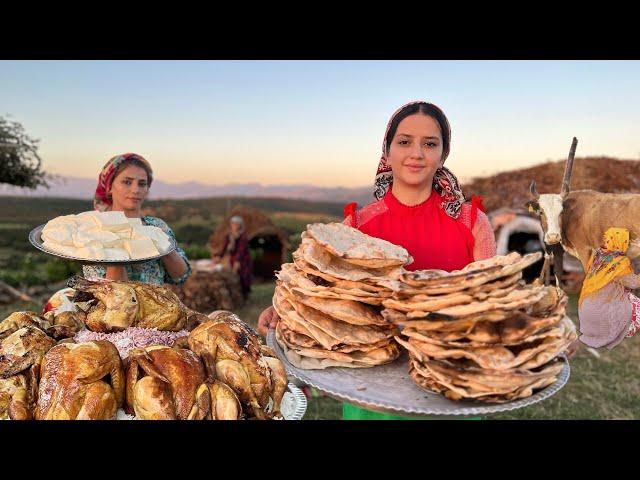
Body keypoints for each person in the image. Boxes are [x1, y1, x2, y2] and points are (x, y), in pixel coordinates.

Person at [259, 101, 497, 419]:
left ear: (443, 154)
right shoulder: (357, 227)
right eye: (404, 141)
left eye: (430, 144)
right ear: (386, 150)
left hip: (451, 388)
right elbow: (322, 296)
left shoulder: (471, 222)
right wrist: (286, 310)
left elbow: (496, 303)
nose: (417, 153)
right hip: (370, 391)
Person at [83, 153, 191, 285]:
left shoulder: (157, 226)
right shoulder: (95, 231)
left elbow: (181, 276)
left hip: (155, 305)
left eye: (142, 184)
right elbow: (109, 292)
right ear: (109, 186)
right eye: (127, 182)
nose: (136, 190)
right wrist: (116, 249)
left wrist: (164, 246)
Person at [578, 227, 640, 349]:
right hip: (601, 313)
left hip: (585, 313)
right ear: (621, 242)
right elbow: (635, 283)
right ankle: (614, 331)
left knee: (626, 297)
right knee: (637, 306)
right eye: (626, 242)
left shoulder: (598, 257)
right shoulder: (619, 262)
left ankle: (598, 330)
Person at [212, 216, 253, 299]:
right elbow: (224, 247)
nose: (234, 225)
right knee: (235, 277)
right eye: (233, 224)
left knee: (243, 277)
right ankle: (238, 295)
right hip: (233, 259)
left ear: (240, 225)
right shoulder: (229, 236)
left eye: (236, 224)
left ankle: (245, 295)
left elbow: (241, 250)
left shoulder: (242, 236)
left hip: (243, 260)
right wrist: (219, 256)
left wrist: (238, 261)